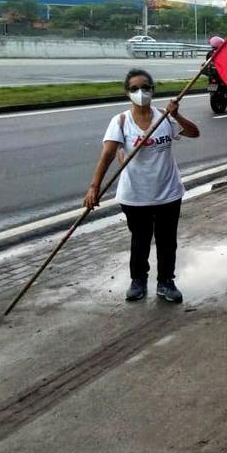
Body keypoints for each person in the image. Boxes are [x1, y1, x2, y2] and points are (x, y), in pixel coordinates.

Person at [83, 69, 200, 303]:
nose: (141, 92)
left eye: (146, 87)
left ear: (152, 90)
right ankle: (138, 280)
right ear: (127, 92)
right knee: (140, 239)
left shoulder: (165, 117)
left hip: (168, 192)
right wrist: (94, 187)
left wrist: (176, 115)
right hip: (136, 195)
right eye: (135, 88)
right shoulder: (121, 121)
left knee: (167, 241)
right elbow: (107, 154)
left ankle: (166, 282)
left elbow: (194, 133)